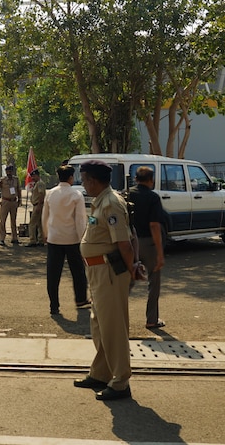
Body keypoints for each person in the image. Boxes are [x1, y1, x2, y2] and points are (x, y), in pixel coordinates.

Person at [73, 159, 135, 401]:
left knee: (113, 328)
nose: (83, 183)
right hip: (98, 272)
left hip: (108, 272)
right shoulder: (100, 201)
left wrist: (132, 270)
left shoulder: (111, 204)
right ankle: (101, 373)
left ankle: (121, 381)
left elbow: (124, 243)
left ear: (93, 180)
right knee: (99, 326)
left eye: (85, 179)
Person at [41, 165, 90, 315]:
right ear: (71, 177)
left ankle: (54, 305)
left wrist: (45, 233)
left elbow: (45, 216)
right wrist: (83, 239)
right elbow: (80, 220)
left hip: (54, 238)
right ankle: (81, 299)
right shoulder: (76, 194)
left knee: (53, 274)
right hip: (72, 238)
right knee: (78, 271)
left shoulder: (50, 193)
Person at [128, 166, 166, 329]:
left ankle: (117, 317)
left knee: (127, 282)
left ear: (136, 179)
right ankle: (152, 319)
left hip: (130, 243)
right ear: (151, 181)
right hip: (149, 242)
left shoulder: (126, 194)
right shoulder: (153, 197)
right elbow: (154, 225)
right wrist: (160, 252)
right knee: (154, 281)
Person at [0, 164, 22, 246]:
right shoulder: (2, 180)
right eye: (7, 171)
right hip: (5, 201)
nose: (9, 173)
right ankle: (2, 238)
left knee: (13, 220)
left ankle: (14, 238)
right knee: (2, 220)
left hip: (13, 201)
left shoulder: (16, 179)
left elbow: (18, 190)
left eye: (10, 171)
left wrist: (20, 200)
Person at [26, 169, 46, 247]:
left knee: (32, 224)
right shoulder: (37, 183)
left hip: (38, 205)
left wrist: (39, 206)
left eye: (34, 176)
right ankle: (41, 240)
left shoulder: (40, 183)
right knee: (40, 223)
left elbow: (41, 195)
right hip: (37, 205)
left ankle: (32, 240)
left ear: (37, 175)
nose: (32, 178)